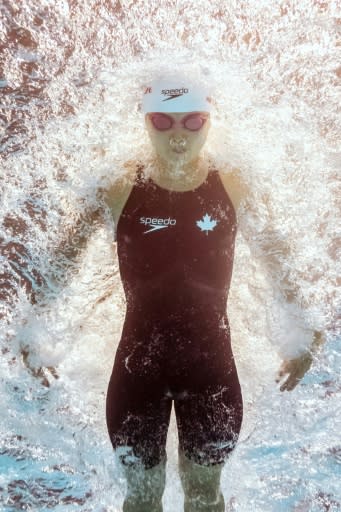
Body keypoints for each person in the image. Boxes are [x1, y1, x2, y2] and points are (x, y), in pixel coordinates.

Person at [1, 75, 324, 511]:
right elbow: (63, 262)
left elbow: (277, 258)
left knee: (205, 495)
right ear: (145, 122)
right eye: (162, 121)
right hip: (139, 371)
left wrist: (303, 330)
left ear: (209, 121)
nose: (178, 134)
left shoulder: (233, 184)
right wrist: (33, 333)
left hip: (211, 370)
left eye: (192, 121)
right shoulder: (119, 187)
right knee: (143, 497)